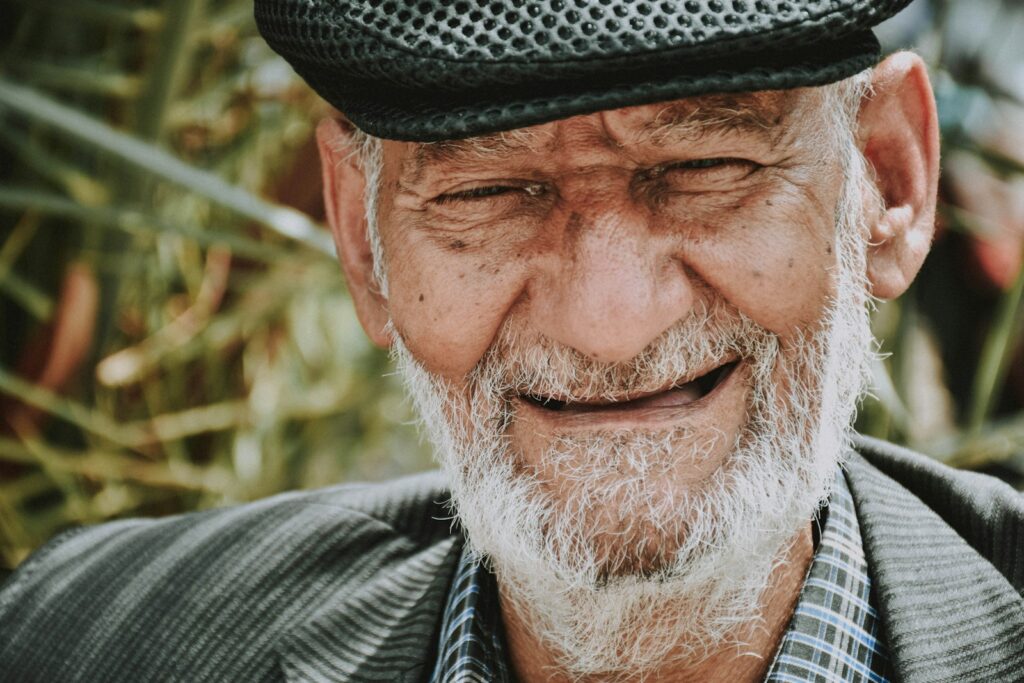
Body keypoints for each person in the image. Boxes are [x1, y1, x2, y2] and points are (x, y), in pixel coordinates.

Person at [2, 2, 1023, 681]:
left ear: (887, 181)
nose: (608, 319)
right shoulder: (81, 639)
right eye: (488, 191)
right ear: (363, 241)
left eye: (708, 165)